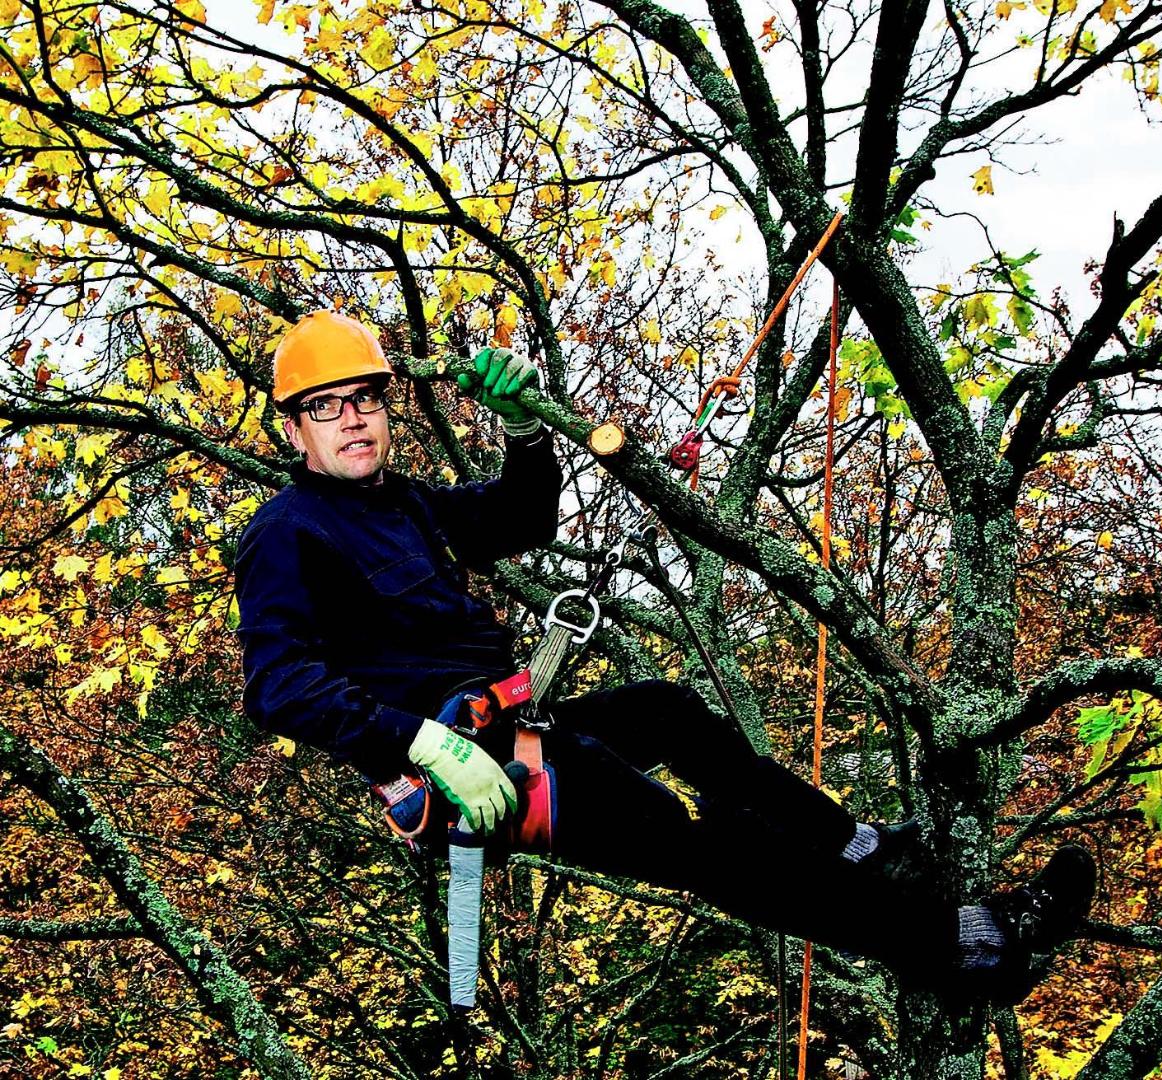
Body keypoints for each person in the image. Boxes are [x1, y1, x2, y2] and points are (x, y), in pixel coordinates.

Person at [234, 309, 1096, 1006]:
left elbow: (520, 521)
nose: (352, 418)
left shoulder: (406, 504)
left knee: (670, 713)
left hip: (508, 727)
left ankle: (864, 847)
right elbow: (279, 688)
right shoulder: (286, 534)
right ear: (294, 430)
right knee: (701, 843)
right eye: (326, 405)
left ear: (387, 410)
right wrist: (424, 743)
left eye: (367, 399)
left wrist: (526, 433)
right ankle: (970, 945)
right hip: (467, 769)